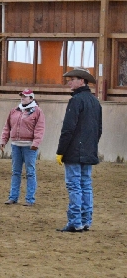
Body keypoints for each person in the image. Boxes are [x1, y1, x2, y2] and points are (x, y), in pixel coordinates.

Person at [56, 68, 102, 233]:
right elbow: (99, 130)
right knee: (86, 185)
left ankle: (75, 222)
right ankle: (86, 220)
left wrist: (61, 151)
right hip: (88, 151)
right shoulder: (95, 102)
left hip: (74, 152)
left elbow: (68, 129)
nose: (69, 82)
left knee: (74, 186)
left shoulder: (75, 101)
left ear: (81, 81)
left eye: (72, 79)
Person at [0, 89, 46, 206]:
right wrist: (3, 140)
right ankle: (13, 197)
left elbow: (40, 129)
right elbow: (7, 127)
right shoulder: (14, 111)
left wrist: (35, 143)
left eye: (25, 97)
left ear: (31, 98)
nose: (22, 98)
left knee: (30, 172)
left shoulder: (37, 111)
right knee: (16, 172)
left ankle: (29, 199)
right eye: (22, 96)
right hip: (16, 145)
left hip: (29, 146)